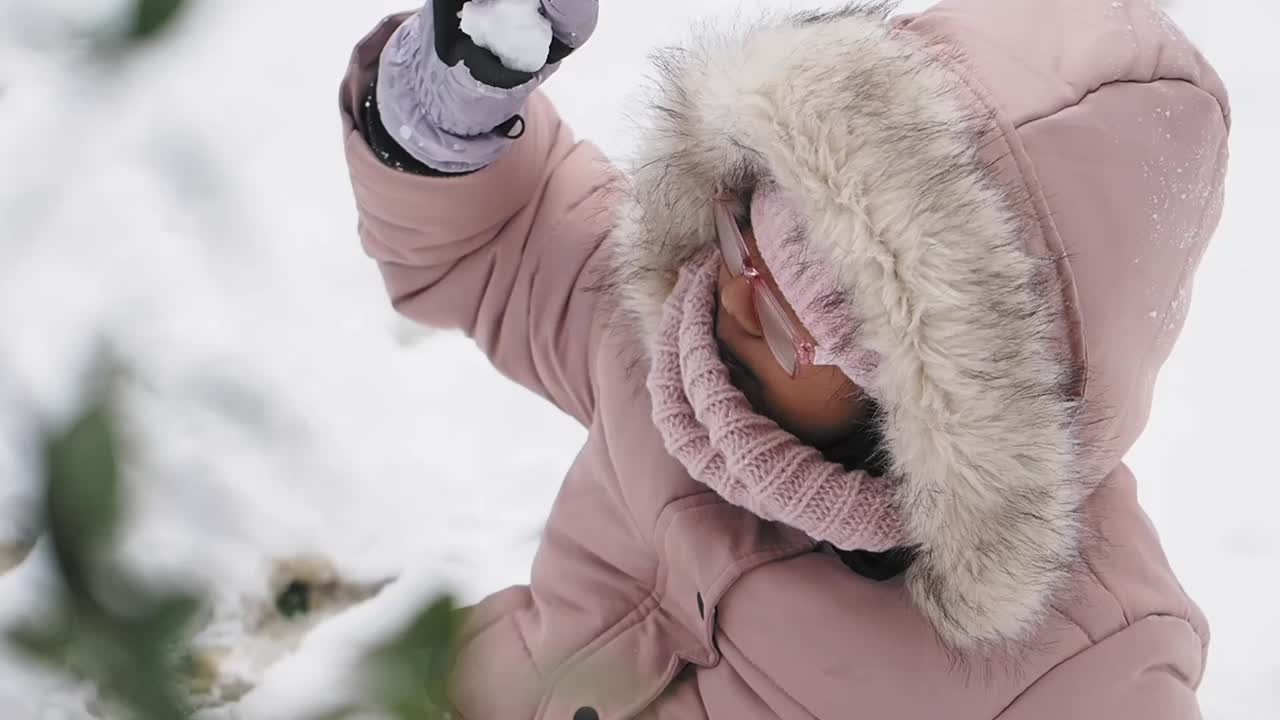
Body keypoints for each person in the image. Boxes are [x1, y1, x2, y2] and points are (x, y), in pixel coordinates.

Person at [338, 0, 1230, 717]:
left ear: (930, 407)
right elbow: (510, 237)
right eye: (740, 232)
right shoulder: (688, 345)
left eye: (784, 316)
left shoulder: (1080, 674)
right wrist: (451, 105)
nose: (727, 295)